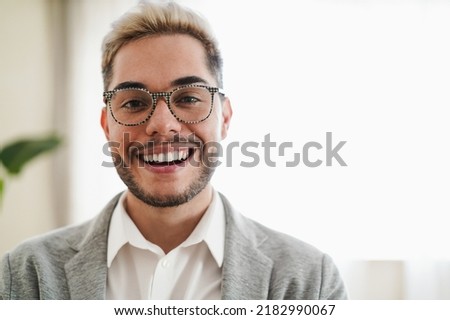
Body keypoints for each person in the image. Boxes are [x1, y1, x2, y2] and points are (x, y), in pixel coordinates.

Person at [0, 1, 347, 300]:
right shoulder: (25, 275)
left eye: (188, 98)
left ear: (224, 118)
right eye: (134, 102)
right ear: (107, 126)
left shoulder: (308, 281)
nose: (162, 124)